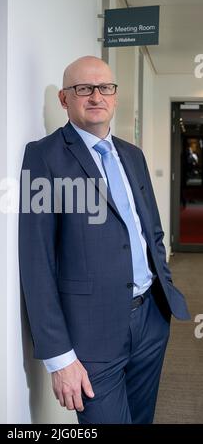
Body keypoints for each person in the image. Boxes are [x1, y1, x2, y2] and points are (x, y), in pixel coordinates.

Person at [19, 56, 190, 424]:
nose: (96, 96)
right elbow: (36, 263)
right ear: (65, 99)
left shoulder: (132, 154)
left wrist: (164, 288)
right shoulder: (44, 156)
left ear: (115, 96)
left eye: (105, 88)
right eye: (83, 88)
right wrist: (60, 357)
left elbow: (151, 231)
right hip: (91, 333)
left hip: (151, 319)